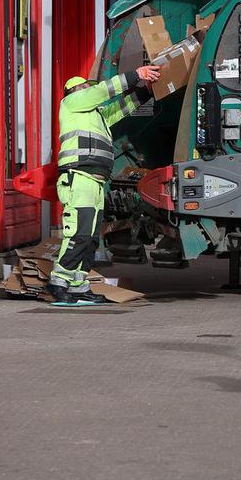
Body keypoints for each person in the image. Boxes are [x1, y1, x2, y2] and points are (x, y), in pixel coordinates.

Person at [49, 64, 159, 307]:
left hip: (95, 181)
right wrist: (135, 75)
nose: (90, 89)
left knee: (89, 237)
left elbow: (121, 108)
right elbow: (102, 92)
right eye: (85, 87)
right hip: (79, 178)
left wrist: (146, 91)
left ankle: (78, 285)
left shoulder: (96, 116)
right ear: (75, 91)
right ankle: (59, 281)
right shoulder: (72, 103)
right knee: (78, 233)